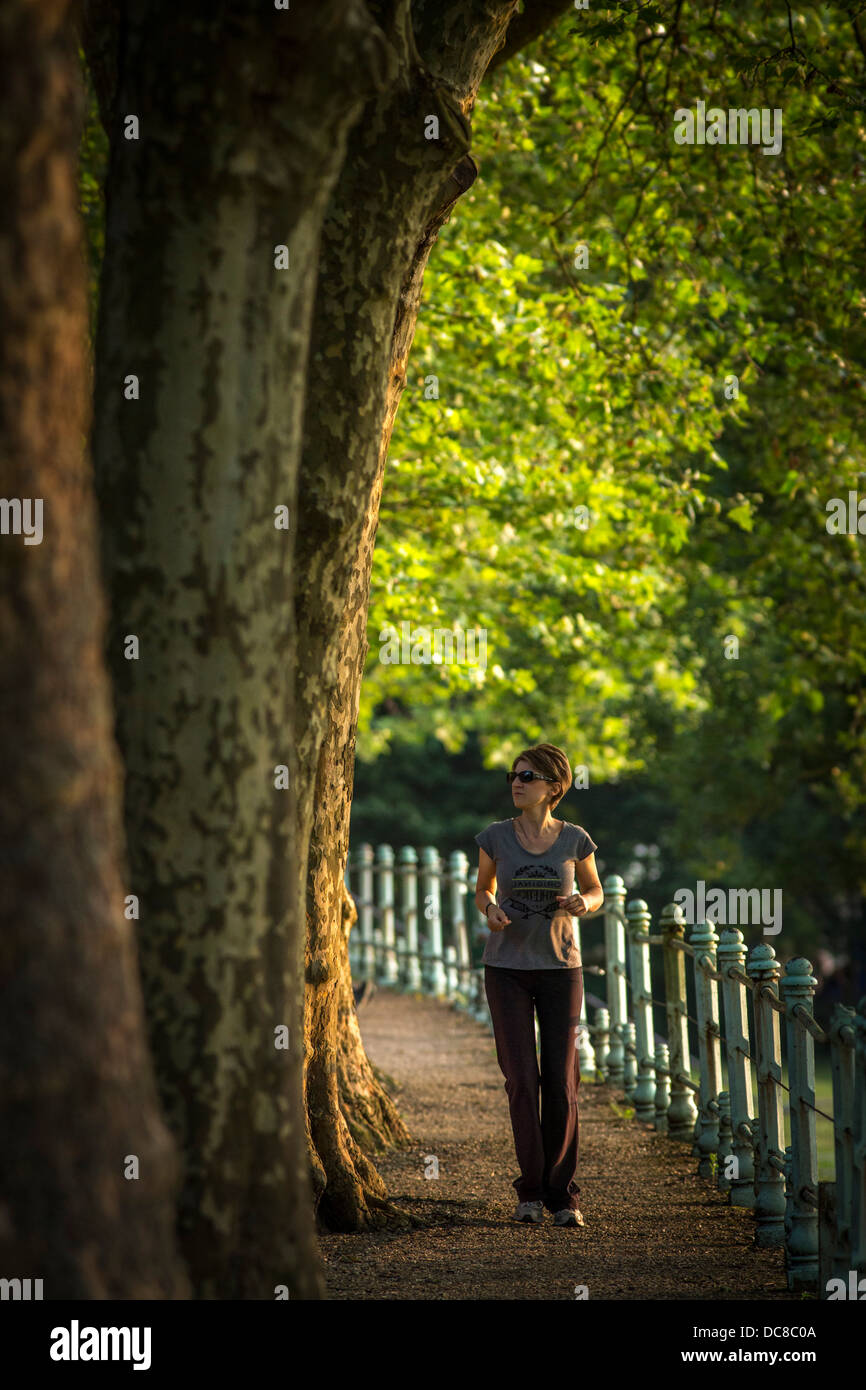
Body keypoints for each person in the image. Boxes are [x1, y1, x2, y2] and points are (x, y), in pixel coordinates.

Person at [474, 743, 602, 1227]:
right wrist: (490, 910)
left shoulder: (575, 840)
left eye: (527, 776)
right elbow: (484, 888)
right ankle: (529, 1192)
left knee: (563, 1083)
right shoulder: (494, 838)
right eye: (513, 775)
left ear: (553, 787)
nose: (516, 782)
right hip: (505, 967)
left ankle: (562, 1195)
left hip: (561, 969)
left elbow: (596, 889)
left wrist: (584, 905)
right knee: (522, 1081)